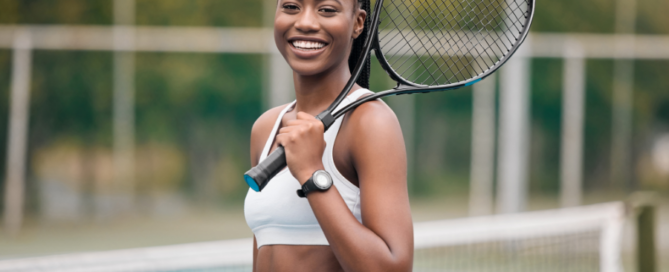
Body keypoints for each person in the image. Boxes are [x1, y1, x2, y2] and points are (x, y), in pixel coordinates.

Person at [244, 0, 413, 271]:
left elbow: (392, 267)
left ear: (358, 23)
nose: (306, 22)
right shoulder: (265, 127)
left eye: (327, 10)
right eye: (290, 6)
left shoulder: (370, 122)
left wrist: (312, 173)